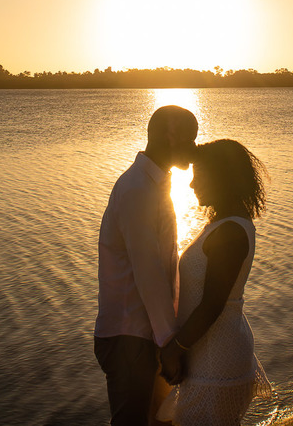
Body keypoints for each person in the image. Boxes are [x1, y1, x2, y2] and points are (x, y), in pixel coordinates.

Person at [95, 105, 199, 426]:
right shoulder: (137, 190)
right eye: (190, 139)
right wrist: (172, 344)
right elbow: (148, 273)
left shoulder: (154, 185)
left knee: (164, 421)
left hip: (147, 335)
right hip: (130, 339)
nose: (195, 149)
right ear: (170, 136)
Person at [157, 139, 272, 426]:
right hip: (211, 356)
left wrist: (175, 349)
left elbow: (212, 304)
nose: (193, 184)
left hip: (216, 363)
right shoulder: (225, 225)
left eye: (200, 175)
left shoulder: (231, 231)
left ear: (222, 177)